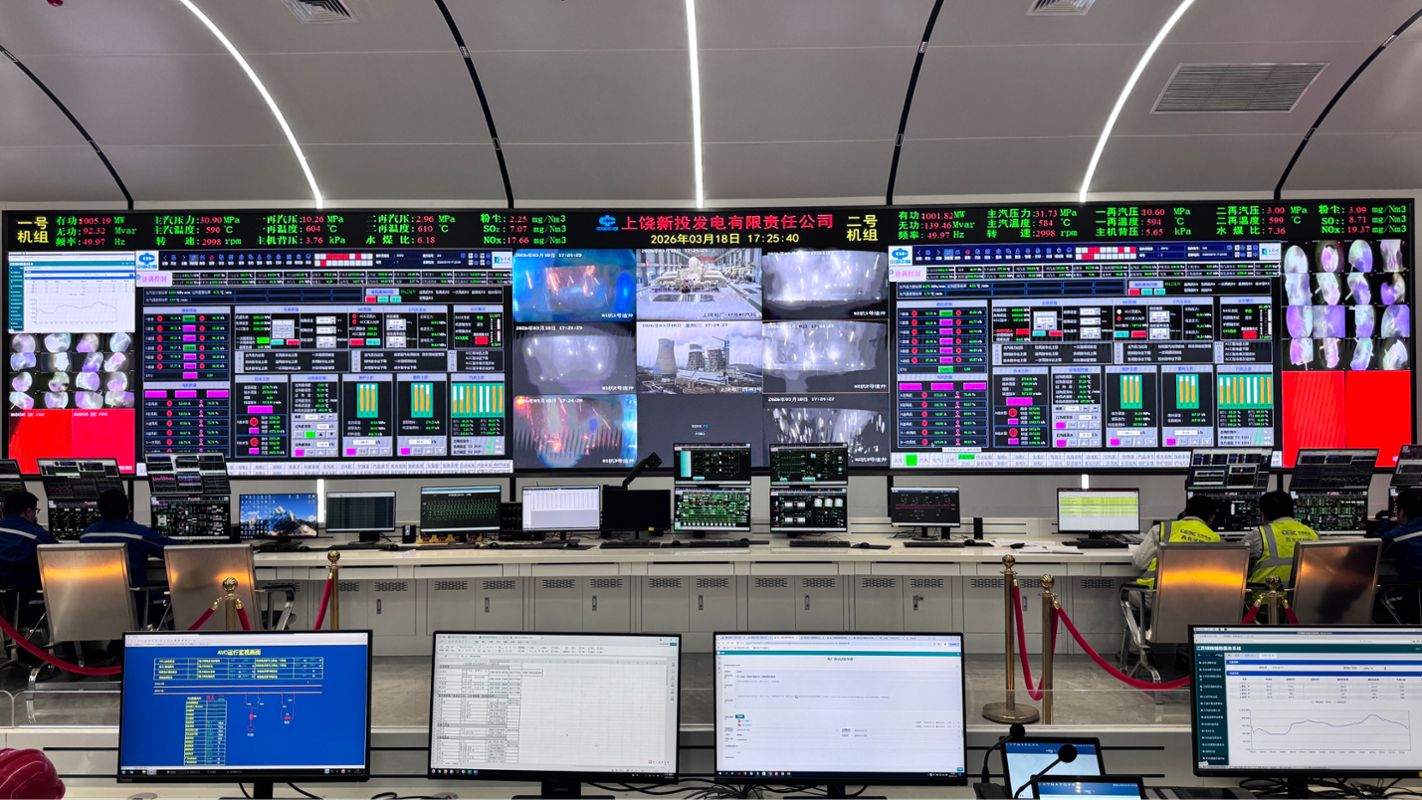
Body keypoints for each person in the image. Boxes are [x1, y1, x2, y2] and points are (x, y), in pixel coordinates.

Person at [79, 489, 178, 586]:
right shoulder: (137, 534)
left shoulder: (86, 535)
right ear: (128, 509)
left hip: (95, 595)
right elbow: (174, 550)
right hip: (134, 594)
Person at [1132, 494, 1222, 589]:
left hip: (1155, 593)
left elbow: (1139, 563)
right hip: (1199, 595)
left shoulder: (1161, 530)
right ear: (1211, 518)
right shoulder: (1217, 540)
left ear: (1184, 513)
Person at [1245, 490, 1319, 588]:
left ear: (1264, 515)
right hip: (1304, 596)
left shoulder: (1258, 534)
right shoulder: (1313, 534)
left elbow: (1235, 560)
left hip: (1264, 596)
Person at [0, 491, 56, 594]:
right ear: (28, 511)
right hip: (29, 596)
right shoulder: (39, 536)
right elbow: (60, 560)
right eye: (35, 511)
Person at [1369, 487, 1422, 583]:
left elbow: (1373, 546)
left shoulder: (1398, 535)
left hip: (1409, 586)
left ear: (1401, 512)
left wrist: (1388, 522)